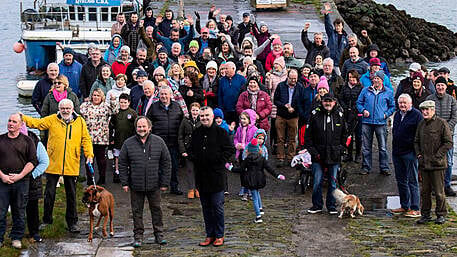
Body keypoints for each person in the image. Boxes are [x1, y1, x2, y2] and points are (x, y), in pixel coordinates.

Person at [22, 99, 94, 233]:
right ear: (59, 109)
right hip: (53, 162)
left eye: (68, 108)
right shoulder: (52, 119)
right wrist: (23, 118)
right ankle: (47, 220)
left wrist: (89, 154)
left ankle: (72, 222)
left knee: (71, 195)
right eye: (63, 108)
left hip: (71, 163)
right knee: (49, 193)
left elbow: (86, 139)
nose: (65, 110)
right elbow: (38, 123)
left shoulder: (80, 122)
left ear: (72, 109)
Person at [119, 116, 171, 247]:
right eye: (139, 127)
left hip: (155, 184)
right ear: (136, 128)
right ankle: (138, 236)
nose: (141, 129)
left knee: (157, 210)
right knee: (136, 211)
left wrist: (165, 182)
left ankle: (159, 235)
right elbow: (122, 163)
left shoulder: (159, 142)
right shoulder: (128, 143)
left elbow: (166, 162)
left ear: (149, 127)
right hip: (136, 185)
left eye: (144, 126)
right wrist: (124, 182)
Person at [188, 106, 234, 247]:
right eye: (202, 116)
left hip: (216, 176)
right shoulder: (196, 133)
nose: (204, 118)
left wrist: (218, 160)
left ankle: (219, 235)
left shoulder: (221, 132)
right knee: (206, 208)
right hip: (202, 176)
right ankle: (210, 234)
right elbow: (190, 150)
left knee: (217, 207)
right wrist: (196, 158)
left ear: (212, 116)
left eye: (207, 116)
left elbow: (229, 150)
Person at [305, 93, 346, 215]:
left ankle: (331, 206)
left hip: (334, 155)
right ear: (322, 101)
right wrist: (314, 152)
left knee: (333, 183)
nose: (328, 103)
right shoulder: (314, 115)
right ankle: (317, 205)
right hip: (318, 155)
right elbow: (308, 137)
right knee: (317, 182)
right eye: (325, 101)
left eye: (330, 101)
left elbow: (345, 135)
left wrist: (341, 149)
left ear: (334, 102)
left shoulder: (339, 115)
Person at [0, 114, 37, 249]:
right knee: (1, 211)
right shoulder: (1, 139)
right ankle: (0, 238)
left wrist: (20, 175)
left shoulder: (27, 141)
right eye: (9, 121)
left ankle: (16, 237)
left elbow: (33, 161)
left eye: (14, 122)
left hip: (21, 182)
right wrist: (3, 176)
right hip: (2, 182)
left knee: (19, 211)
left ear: (20, 125)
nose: (10, 123)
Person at [227, 138, 285, 223]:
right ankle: (260, 209)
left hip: (250, 180)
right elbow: (269, 169)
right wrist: (277, 175)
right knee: (257, 193)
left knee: (254, 197)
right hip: (260, 179)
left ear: (249, 150)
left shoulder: (247, 159)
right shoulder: (262, 159)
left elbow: (240, 169)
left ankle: (258, 216)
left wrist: (230, 168)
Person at [415, 100, 452, 225]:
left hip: (438, 165)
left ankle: (441, 214)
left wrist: (438, 156)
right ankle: (425, 214)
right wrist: (419, 155)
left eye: (427, 110)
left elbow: (448, 143)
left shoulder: (442, 123)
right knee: (425, 191)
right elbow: (416, 141)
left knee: (439, 192)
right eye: (423, 110)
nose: (425, 112)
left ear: (433, 110)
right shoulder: (421, 124)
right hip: (424, 164)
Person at [356, 70, 395, 175]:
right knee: (366, 146)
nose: (376, 80)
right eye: (374, 78)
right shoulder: (365, 90)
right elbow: (359, 103)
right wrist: (363, 110)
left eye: (378, 78)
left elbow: (392, 106)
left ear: (382, 80)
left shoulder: (388, 92)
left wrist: (386, 115)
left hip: (381, 122)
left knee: (382, 146)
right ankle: (366, 167)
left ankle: (384, 167)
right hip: (367, 122)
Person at [146, 86, 184, 195]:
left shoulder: (177, 106)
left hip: (173, 142)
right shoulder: (153, 107)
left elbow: (182, 123)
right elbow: (148, 123)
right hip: (158, 143)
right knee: (157, 166)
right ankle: (158, 187)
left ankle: (174, 187)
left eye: (166, 94)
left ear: (170, 95)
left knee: (174, 166)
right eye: (162, 94)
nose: (164, 96)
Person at [390, 94, 422, 218]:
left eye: (405, 103)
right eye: (400, 103)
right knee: (401, 180)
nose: (402, 105)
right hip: (397, 152)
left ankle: (415, 208)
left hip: (410, 152)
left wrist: (416, 151)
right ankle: (405, 205)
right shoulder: (397, 114)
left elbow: (419, 134)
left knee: (412, 180)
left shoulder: (416, 115)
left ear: (410, 104)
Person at [425, 76, 457, 196]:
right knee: (433, 160)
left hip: (448, 136)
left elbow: (454, 117)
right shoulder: (430, 99)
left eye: (442, 85)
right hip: (432, 135)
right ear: (435, 86)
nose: (440, 87)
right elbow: (427, 116)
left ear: (446, 86)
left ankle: (447, 185)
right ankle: (434, 186)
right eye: (438, 85)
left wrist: (445, 129)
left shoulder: (452, 100)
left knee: (448, 161)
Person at [80, 89, 119, 185]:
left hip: (101, 137)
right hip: (88, 137)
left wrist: (113, 100)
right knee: (88, 159)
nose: (96, 97)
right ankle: (89, 178)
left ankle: (102, 178)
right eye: (94, 95)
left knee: (101, 159)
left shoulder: (106, 106)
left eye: (98, 95)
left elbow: (115, 111)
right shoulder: (85, 106)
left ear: (102, 97)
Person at [21, 127, 48, 243]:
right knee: (16, 206)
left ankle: (34, 232)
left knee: (32, 207)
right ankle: (17, 232)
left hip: (31, 180)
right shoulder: (7, 139)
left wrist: (33, 175)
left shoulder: (35, 141)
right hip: (13, 179)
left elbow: (45, 161)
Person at [274, 69, 302, 166]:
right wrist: (284, 105)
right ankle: (280, 157)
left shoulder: (300, 87)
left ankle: (291, 157)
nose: (293, 80)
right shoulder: (280, 86)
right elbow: (275, 101)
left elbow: (301, 102)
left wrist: (294, 108)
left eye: (295, 79)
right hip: (281, 114)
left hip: (293, 116)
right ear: (287, 77)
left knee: (292, 138)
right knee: (280, 138)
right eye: (291, 78)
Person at [110, 93, 137, 183]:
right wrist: (111, 139)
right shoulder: (116, 113)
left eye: (125, 102)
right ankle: (117, 172)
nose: (123, 104)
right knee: (117, 156)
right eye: (121, 102)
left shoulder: (132, 113)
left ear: (129, 102)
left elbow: (136, 126)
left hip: (129, 139)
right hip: (118, 139)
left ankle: (129, 173)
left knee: (128, 157)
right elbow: (111, 125)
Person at [178, 102, 202, 199]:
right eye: (193, 110)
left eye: (196, 110)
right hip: (188, 149)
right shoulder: (185, 120)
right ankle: (191, 188)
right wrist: (182, 150)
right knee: (190, 170)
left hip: (200, 150)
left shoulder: (202, 120)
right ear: (190, 110)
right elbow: (180, 136)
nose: (195, 112)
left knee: (199, 170)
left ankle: (198, 188)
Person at [339, 70, 363, 162]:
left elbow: (361, 99)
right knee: (348, 134)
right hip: (347, 113)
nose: (351, 80)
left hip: (357, 114)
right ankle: (349, 154)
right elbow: (341, 98)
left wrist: (354, 108)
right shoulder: (345, 87)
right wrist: (345, 107)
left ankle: (358, 154)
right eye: (350, 78)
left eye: (353, 78)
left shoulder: (360, 87)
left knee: (358, 135)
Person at [322, 2, 348, 70]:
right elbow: (328, 25)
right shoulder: (331, 34)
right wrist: (327, 14)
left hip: (340, 63)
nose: (337, 27)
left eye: (339, 26)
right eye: (336, 26)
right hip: (330, 61)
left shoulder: (346, 37)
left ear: (342, 26)